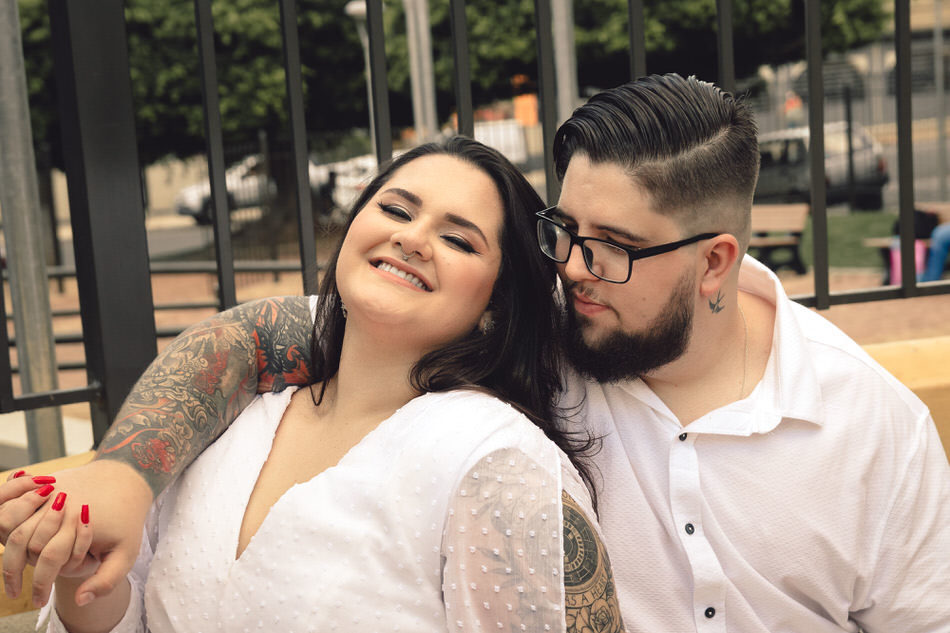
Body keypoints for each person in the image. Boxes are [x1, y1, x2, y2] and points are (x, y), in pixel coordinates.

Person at [6, 74, 950, 631]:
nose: (572, 267)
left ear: (714, 262)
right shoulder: (537, 327)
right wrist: (121, 475)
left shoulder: (872, 428)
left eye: (613, 248)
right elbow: (254, 337)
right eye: (563, 230)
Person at [0, 136, 624, 633]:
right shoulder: (233, 415)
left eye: (458, 239)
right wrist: (82, 578)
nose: (411, 238)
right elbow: (132, 612)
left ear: (497, 302)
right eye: (396, 209)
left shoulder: (494, 460)